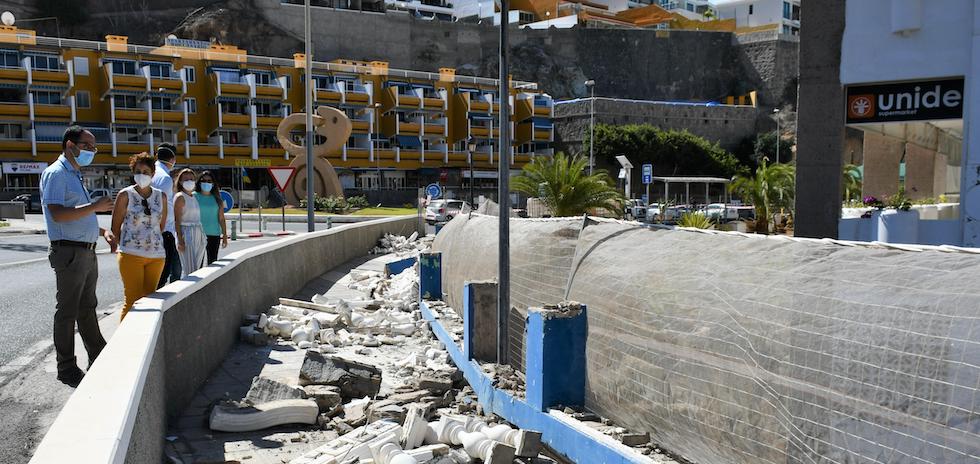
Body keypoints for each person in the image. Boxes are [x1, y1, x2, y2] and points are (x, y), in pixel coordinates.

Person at [40, 125, 116, 387]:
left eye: (94, 147)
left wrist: (101, 229)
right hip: (69, 251)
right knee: (68, 311)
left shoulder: (74, 174)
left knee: (87, 308)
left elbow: (77, 214)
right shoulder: (56, 173)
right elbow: (58, 214)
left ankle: (98, 355)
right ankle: (66, 367)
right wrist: (95, 206)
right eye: (87, 146)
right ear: (70, 145)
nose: (92, 151)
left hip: (84, 250)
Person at [111, 153, 167, 321]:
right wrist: (124, 246)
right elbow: (115, 227)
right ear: (133, 172)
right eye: (138, 171)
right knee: (132, 300)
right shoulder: (124, 195)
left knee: (150, 300)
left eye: (146, 171)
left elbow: (161, 226)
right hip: (131, 255)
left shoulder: (161, 196)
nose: (142, 175)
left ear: (153, 174)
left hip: (156, 257)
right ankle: (124, 343)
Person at [152, 142, 181, 288]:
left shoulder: (152, 172)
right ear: (173, 159)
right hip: (164, 232)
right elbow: (160, 207)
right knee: (166, 273)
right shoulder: (164, 178)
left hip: (159, 230)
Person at [173, 168, 206, 276]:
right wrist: (180, 240)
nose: (189, 181)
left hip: (198, 231)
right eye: (186, 179)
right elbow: (176, 220)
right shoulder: (180, 197)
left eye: (192, 179)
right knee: (189, 268)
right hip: (186, 232)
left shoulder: (193, 197)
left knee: (196, 267)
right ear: (180, 181)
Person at [195, 170, 229, 264]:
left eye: (209, 181)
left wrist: (225, 235)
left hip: (214, 235)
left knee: (212, 263)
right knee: (198, 264)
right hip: (198, 235)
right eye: (204, 180)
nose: (206, 183)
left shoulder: (217, 199)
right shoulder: (193, 197)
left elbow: (221, 219)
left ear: (213, 183)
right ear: (199, 182)